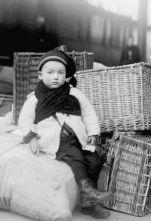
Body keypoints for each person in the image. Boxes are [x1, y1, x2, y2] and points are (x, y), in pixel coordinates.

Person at [18, 48, 112, 219]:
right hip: (53, 140)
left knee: (94, 160)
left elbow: (89, 114)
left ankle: (89, 204)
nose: (56, 77)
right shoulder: (35, 98)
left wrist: (93, 132)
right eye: (50, 72)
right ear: (40, 75)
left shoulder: (74, 93)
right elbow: (25, 120)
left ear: (66, 75)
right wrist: (31, 139)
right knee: (74, 156)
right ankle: (87, 191)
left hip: (78, 138)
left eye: (61, 73)